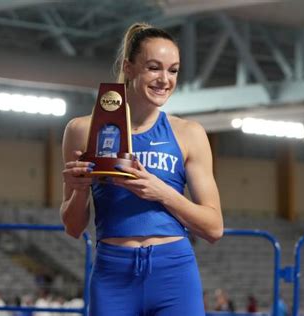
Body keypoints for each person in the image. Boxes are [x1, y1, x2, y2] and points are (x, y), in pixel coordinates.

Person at [60, 22, 223, 316]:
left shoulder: (189, 133)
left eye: (173, 70)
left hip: (173, 272)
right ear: (129, 67)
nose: (164, 79)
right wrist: (81, 190)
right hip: (113, 273)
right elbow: (72, 227)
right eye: (153, 67)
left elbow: (214, 227)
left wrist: (161, 192)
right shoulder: (83, 129)